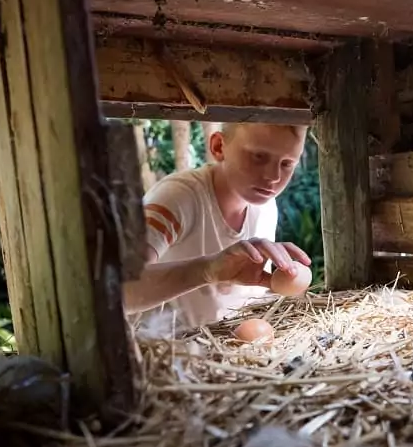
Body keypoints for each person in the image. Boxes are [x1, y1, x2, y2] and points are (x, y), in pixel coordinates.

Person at [122, 122, 312, 329]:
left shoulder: (265, 206)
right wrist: (206, 271)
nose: (273, 177)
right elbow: (118, 288)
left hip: (224, 355)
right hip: (164, 354)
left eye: (287, 164)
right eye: (258, 156)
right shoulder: (177, 198)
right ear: (219, 147)